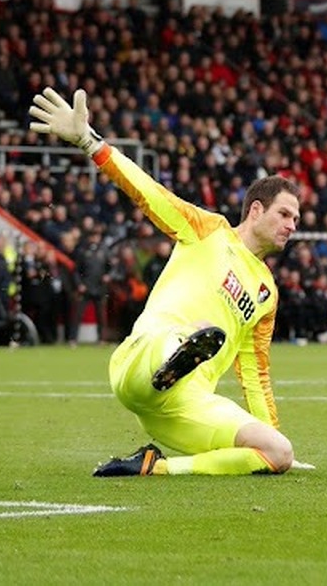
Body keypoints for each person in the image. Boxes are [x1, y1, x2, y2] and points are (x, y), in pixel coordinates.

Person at [29, 87, 302, 477]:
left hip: (184, 405)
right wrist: (90, 143)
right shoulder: (208, 231)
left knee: (279, 453)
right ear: (256, 210)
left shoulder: (266, 293)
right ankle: (178, 351)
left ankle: (154, 467)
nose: (293, 226)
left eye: (296, 219)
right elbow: (148, 192)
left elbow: (254, 374)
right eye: (286, 214)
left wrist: (268, 435)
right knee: (182, 336)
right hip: (140, 364)